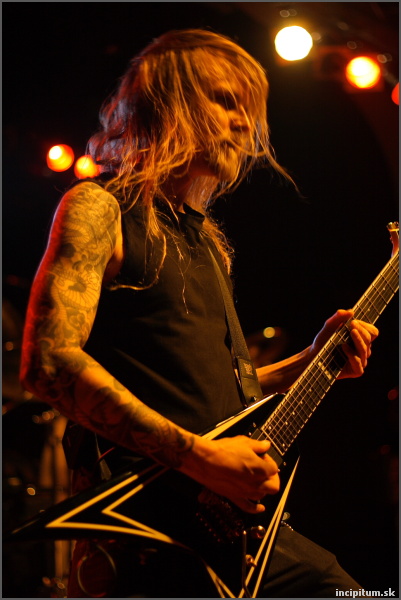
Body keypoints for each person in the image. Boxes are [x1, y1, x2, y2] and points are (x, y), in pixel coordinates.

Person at [20, 29, 379, 598]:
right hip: (152, 539)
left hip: (237, 535)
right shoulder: (99, 207)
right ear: (169, 103)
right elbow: (48, 363)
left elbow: (203, 393)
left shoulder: (208, 243)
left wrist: (309, 362)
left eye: (248, 108)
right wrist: (202, 458)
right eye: (225, 101)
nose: (244, 122)